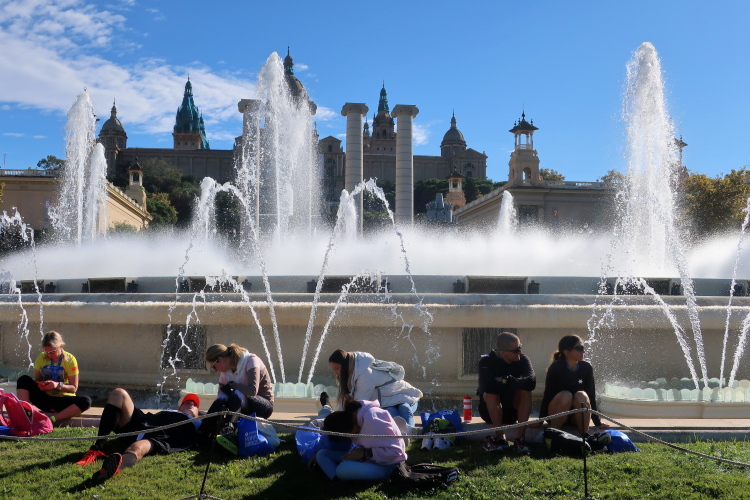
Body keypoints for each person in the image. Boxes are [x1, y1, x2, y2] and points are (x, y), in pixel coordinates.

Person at [74, 388, 203, 482]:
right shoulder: (171, 411)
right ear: (179, 407)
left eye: (194, 404)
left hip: (161, 437)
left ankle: (115, 466)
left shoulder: (199, 423)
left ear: (199, 412)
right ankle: (97, 448)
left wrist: (201, 416)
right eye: (187, 402)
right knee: (118, 393)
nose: (191, 403)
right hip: (143, 422)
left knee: (137, 448)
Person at [315, 399, 406, 481]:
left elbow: (396, 451)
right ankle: (336, 480)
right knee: (322, 454)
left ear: (349, 429)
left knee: (342, 468)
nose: (350, 438)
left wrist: (365, 453)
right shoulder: (353, 418)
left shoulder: (373, 419)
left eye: (348, 435)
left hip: (388, 464)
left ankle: (339, 475)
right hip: (369, 459)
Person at [328, 350, 422, 426]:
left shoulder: (365, 375)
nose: (335, 372)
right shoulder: (348, 375)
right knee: (391, 412)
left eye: (337, 368)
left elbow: (360, 402)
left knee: (404, 408)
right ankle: (401, 436)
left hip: (404, 394)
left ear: (345, 365)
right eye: (333, 369)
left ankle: (409, 434)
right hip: (387, 402)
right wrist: (339, 417)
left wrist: (344, 419)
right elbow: (344, 399)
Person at [15, 331, 91, 426]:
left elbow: (73, 388)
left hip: (63, 400)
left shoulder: (70, 359)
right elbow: (37, 380)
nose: (49, 355)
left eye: (52, 352)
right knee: (23, 379)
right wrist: (42, 385)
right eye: (46, 352)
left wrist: (57, 385)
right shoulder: (41, 357)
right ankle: (26, 414)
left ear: (61, 346)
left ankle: (51, 420)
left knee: (86, 401)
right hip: (46, 399)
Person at [477, 331, 536, 453]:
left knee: (526, 391)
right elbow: (487, 387)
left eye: (520, 347)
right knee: (490, 394)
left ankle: (519, 439)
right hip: (489, 413)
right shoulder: (486, 361)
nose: (520, 352)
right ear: (503, 353)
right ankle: (500, 437)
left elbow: (531, 382)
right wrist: (511, 383)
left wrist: (507, 380)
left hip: (513, 412)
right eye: (516, 350)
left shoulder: (523, 360)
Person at [539, 335, 608, 436]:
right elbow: (547, 395)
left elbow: (591, 395)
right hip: (557, 414)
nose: (583, 351)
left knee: (581, 395)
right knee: (566, 395)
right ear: (567, 352)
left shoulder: (586, 368)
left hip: (575, 417)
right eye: (579, 348)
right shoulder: (556, 367)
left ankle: (584, 436)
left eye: (583, 347)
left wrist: (597, 422)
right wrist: (540, 421)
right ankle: (553, 435)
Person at [201, 343, 274, 436]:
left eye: (213, 366)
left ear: (220, 359)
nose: (215, 370)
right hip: (242, 406)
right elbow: (220, 397)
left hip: (263, 407)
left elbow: (252, 390)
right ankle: (204, 428)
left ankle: (228, 428)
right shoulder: (225, 371)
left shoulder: (251, 360)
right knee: (223, 395)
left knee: (238, 391)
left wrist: (234, 385)